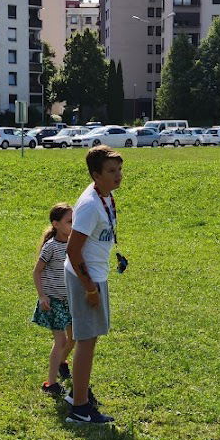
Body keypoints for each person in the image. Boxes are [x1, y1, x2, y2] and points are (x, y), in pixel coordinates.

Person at [64, 145, 124, 425]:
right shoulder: (89, 205)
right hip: (85, 278)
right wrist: (89, 288)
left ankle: (78, 393)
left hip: (95, 275)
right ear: (95, 174)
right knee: (86, 341)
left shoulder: (105, 196)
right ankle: (80, 408)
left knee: (89, 339)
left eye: (120, 169)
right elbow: (73, 252)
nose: (118, 176)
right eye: (111, 171)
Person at [32, 202, 75, 397]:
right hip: (54, 301)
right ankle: (50, 383)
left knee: (73, 339)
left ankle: (61, 363)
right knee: (61, 340)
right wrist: (42, 296)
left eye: (74, 221)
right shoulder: (51, 247)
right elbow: (37, 272)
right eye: (69, 222)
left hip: (71, 300)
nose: (72, 225)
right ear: (56, 224)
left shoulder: (74, 243)